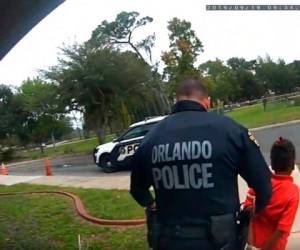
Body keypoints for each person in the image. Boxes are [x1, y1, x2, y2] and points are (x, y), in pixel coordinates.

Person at [130, 78, 272, 250]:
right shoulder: (231, 130)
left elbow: (137, 189)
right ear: (208, 102)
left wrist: (152, 204)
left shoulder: (151, 138)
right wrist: (252, 213)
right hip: (221, 241)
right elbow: (264, 186)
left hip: (169, 239)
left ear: (177, 100)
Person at [244, 137, 299, 250]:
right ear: (293, 164)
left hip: (252, 244)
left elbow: (247, 212)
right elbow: (281, 230)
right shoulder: (293, 192)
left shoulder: (260, 181)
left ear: (272, 164)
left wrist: (250, 245)